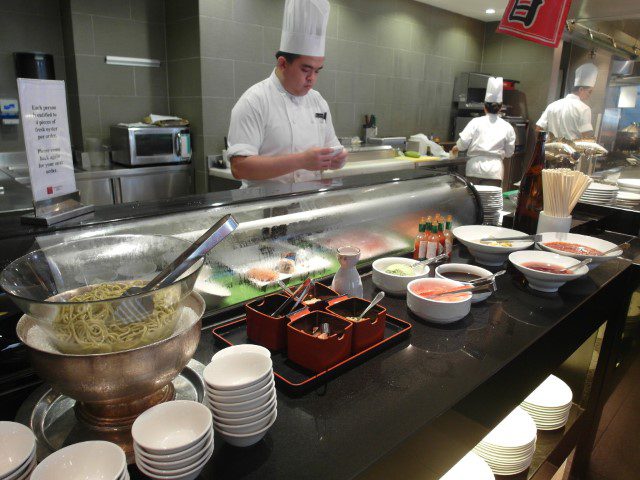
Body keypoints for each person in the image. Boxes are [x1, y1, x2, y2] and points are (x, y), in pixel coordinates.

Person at [227, 0, 347, 189]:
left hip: (308, 207)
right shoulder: (254, 101)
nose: (312, 78)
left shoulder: (318, 102)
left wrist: (337, 159)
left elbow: (330, 147)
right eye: (306, 69)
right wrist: (301, 160)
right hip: (266, 208)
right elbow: (240, 168)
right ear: (283, 63)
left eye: (317, 71)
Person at [451, 77, 516, 187]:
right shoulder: (508, 127)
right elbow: (509, 153)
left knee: (474, 202)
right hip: (494, 171)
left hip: (474, 168)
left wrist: (455, 147)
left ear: (484, 107)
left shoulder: (475, 122)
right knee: (489, 202)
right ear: (500, 108)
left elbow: (463, 144)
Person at [536, 63, 598, 140]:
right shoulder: (584, 109)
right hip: (570, 151)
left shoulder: (552, 105)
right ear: (581, 89)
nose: (589, 95)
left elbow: (538, 129)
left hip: (549, 150)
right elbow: (585, 137)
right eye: (589, 92)